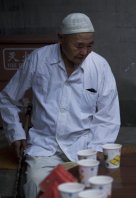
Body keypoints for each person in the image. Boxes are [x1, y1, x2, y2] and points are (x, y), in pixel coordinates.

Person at [0, 13, 120, 197]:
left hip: (84, 148)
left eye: (89, 46)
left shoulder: (99, 66)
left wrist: (97, 148)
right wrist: (15, 132)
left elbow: (108, 116)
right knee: (36, 185)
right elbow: (7, 99)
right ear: (61, 39)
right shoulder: (39, 59)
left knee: (88, 191)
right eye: (79, 45)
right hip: (44, 147)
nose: (84, 52)